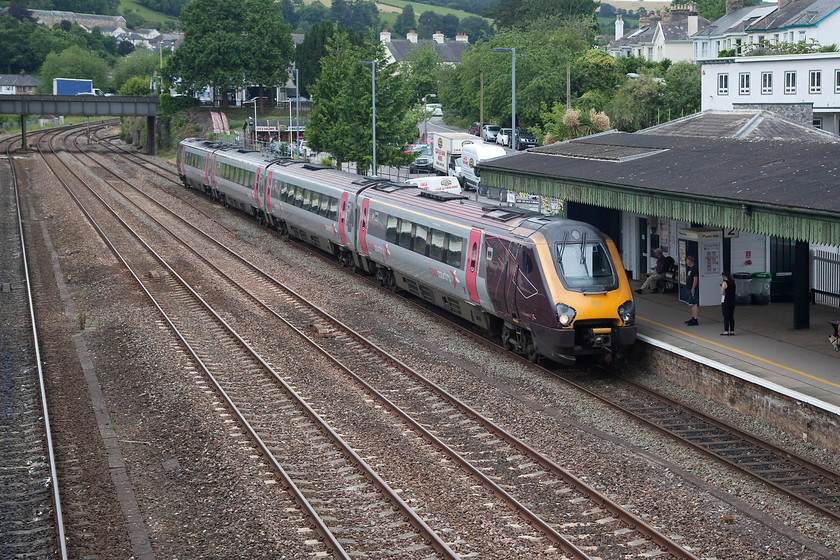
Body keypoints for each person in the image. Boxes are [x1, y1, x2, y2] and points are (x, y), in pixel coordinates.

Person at [719, 271, 736, 335]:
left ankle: (726, 331)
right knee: (731, 316)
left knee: (726, 316)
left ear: (724, 276)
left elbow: (722, 292)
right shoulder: (733, 282)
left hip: (726, 301)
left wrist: (720, 288)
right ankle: (732, 330)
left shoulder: (725, 283)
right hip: (732, 301)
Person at [684, 255, 699, 326]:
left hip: (691, 288)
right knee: (691, 304)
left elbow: (695, 279)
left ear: (690, 261)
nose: (686, 262)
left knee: (694, 304)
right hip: (688, 287)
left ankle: (695, 319)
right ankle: (693, 317)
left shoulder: (694, 269)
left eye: (687, 260)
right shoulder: (690, 268)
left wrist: (693, 288)